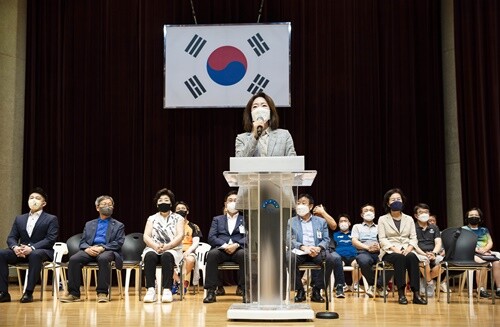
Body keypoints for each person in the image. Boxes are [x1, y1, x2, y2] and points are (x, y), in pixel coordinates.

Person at [60, 195, 125, 303]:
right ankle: (74, 294)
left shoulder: (118, 225)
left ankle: (102, 293)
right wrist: (87, 249)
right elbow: (83, 242)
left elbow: (118, 243)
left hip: (107, 250)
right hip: (90, 250)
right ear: (97, 208)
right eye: (104, 204)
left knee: (103, 258)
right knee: (74, 259)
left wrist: (102, 248)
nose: (107, 206)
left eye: (110, 204)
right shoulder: (89, 224)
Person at [0, 188, 59, 303]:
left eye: (37, 198)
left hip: (41, 251)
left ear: (44, 203)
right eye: (31, 198)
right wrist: (15, 247)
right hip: (21, 251)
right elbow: (11, 237)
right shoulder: (20, 218)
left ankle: (28, 292)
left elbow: (50, 239)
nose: (33, 200)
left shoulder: (51, 219)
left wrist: (31, 248)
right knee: (1, 253)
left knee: (35, 254)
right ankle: (3, 293)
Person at [378, 188, 427, 305]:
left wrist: (408, 249)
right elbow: (382, 239)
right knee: (399, 258)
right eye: (393, 199)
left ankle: (416, 294)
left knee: (412, 257)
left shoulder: (409, 219)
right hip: (389, 251)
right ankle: (401, 294)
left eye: (398, 199)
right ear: (388, 203)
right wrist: (395, 249)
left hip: (406, 248)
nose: (396, 201)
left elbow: (413, 238)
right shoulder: (382, 219)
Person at [287, 194, 335, 303]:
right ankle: (300, 290)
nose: (300, 205)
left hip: (316, 251)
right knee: (289, 257)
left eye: (303, 203)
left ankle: (316, 290)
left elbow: (326, 239)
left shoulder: (320, 221)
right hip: (300, 251)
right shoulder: (291, 221)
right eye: (298, 203)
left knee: (330, 260)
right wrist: (303, 247)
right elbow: (289, 239)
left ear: (311, 206)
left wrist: (318, 248)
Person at [203, 191, 247, 303]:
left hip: (238, 249)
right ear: (225, 203)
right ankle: (211, 292)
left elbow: (250, 236)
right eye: (230, 200)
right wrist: (225, 245)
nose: (233, 203)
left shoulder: (245, 219)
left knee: (244, 255)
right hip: (222, 249)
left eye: (236, 200)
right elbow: (211, 237)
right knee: (212, 255)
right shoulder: (217, 219)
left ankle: (245, 291)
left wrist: (236, 245)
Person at [142, 188, 184, 303]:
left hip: (173, 249)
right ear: (157, 204)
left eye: (166, 200)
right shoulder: (152, 218)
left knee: (167, 256)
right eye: (160, 200)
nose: (163, 202)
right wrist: (155, 246)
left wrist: (168, 246)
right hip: (154, 247)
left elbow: (180, 235)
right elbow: (146, 236)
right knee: (149, 256)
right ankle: (150, 290)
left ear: (171, 203)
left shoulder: (178, 218)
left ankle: (167, 289)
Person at [235, 92, 296, 157]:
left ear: (270, 111)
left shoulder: (284, 135)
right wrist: (254, 137)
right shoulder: (241, 139)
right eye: (255, 106)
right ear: (250, 114)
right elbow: (240, 162)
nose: (259, 109)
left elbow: (293, 162)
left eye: (264, 105)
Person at [352, 204, 390, 298]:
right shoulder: (357, 226)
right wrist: (367, 247)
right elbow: (354, 241)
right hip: (363, 252)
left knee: (394, 261)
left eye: (371, 210)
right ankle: (376, 286)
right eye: (366, 210)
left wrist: (379, 246)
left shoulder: (380, 226)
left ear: (374, 214)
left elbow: (387, 240)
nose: (369, 212)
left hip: (380, 252)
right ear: (361, 214)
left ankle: (376, 286)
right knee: (363, 261)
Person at [462, 207, 500, 298]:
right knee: (482, 262)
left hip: (484, 251)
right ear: (467, 218)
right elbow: (464, 243)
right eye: (471, 215)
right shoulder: (464, 229)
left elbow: (490, 242)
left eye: (476, 215)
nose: (473, 217)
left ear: (480, 218)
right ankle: (480, 289)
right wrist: (478, 250)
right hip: (470, 252)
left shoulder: (484, 230)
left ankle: (499, 288)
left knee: (497, 262)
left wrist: (485, 249)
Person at [311, 204, 346, 298]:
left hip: (329, 248)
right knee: (317, 259)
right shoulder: (310, 222)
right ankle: (315, 286)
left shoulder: (326, 221)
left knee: (337, 258)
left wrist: (323, 212)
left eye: (319, 213)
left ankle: (339, 287)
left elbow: (334, 226)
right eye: (315, 213)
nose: (317, 215)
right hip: (315, 249)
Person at [412, 203, 443, 297]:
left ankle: (424, 279)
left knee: (443, 263)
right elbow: (413, 245)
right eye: (421, 212)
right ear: (416, 215)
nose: (424, 214)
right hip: (419, 253)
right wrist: (424, 254)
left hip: (432, 253)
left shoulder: (434, 227)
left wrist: (434, 253)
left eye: (426, 212)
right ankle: (429, 283)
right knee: (424, 261)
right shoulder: (412, 227)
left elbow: (438, 242)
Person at [173, 201, 203, 293]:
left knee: (190, 260)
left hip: (188, 251)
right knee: (166, 259)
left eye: (183, 209)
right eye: (178, 209)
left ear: (187, 211)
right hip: (173, 250)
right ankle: (180, 282)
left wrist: (188, 251)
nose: (180, 210)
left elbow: (196, 242)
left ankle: (178, 282)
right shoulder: (171, 225)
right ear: (174, 212)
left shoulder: (193, 226)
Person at [333, 214, 361, 293]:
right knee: (338, 263)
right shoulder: (335, 235)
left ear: (349, 223)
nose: (343, 223)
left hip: (353, 256)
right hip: (340, 256)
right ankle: (342, 285)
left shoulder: (354, 234)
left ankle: (355, 285)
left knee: (357, 263)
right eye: (341, 221)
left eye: (345, 221)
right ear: (338, 224)